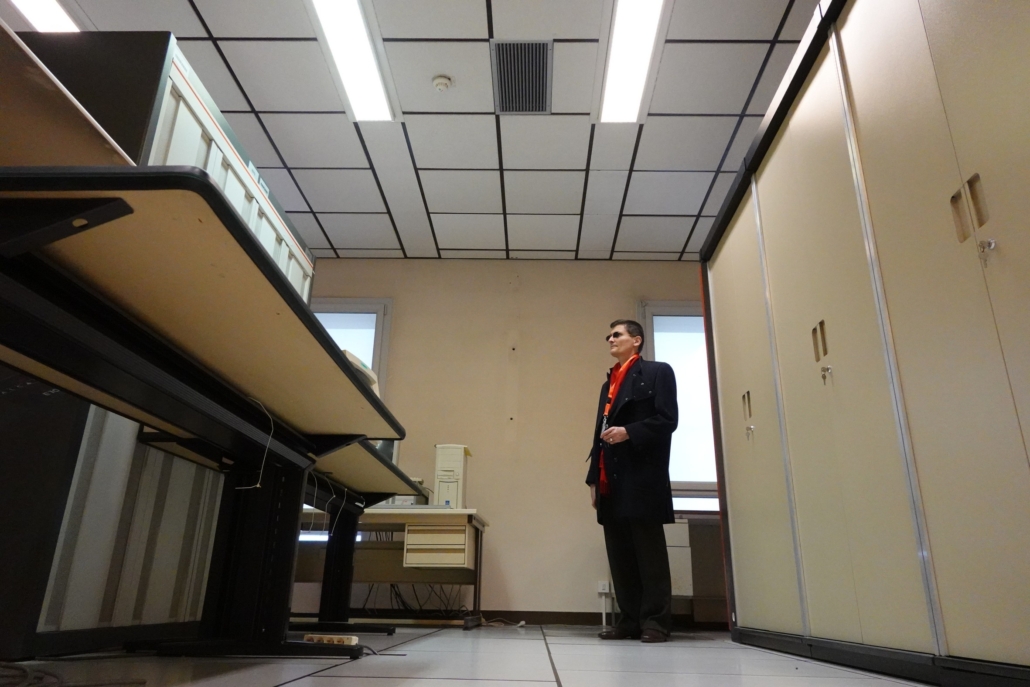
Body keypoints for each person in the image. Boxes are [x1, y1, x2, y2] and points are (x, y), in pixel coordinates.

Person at [586, 319, 677, 643]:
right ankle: (629, 620)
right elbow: (599, 432)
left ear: (636, 340)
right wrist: (593, 480)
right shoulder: (608, 383)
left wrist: (629, 432)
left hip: (642, 475)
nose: (610, 339)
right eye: (609, 335)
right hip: (610, 477)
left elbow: (667, 419)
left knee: (649, 553)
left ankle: (655, 622)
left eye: (617, 334)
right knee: (620, 552)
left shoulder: (658, 372)